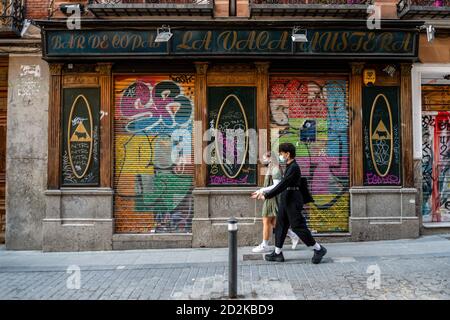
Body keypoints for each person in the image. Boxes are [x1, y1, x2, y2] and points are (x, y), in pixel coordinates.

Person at [252, 143, 327, 264]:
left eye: (281, 153)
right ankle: (277, 253)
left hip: (293, 200)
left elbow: (283, 184)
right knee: (281, 225)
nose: (280, 156)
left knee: (298, 226)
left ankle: (318, 249)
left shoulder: (294, 167)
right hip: (286, 198)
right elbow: (283, 185)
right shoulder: (289, 165)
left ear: (288, 154)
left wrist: (266, 194)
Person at [251, 152, 299, 253]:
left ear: (271, 159)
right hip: (271, 197)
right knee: (273, 222)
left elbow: (276, 185)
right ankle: (293, 235)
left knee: (266, 220)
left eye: (265, 158)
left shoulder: (275, 169)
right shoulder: (271, 167)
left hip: (273, 198)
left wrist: (262, 190)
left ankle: (265, 244)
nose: (263, 161)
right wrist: (261, 191)